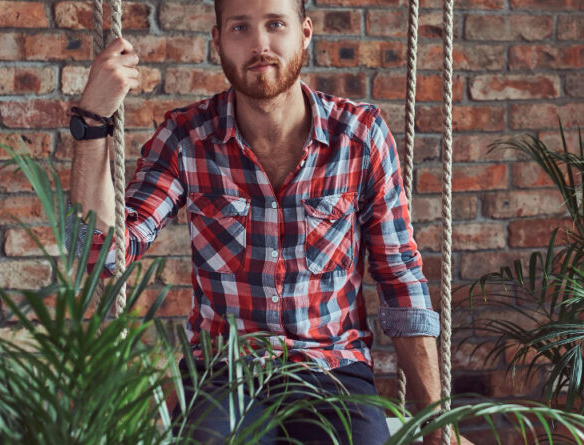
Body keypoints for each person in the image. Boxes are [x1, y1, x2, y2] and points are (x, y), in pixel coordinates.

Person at [69, 0, 471, 443]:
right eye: (240, 27)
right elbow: (103, 257)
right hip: (222, 371)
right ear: (217, 40)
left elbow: (400, 279)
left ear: (305, 33)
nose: (260, 44)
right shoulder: (187, 138)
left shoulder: (360, 137)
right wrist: (92, 121)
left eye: (275, 24)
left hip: (334, 369)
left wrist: (435, 422)